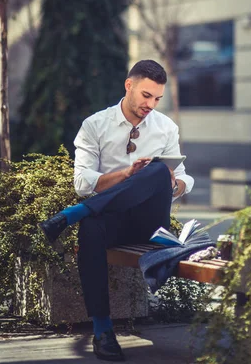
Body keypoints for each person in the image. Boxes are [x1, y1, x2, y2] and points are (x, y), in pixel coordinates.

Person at [40, 59, 194, 362]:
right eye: (145, 95)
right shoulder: (95, 126)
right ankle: (102, 330)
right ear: (129, 86)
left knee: (158, 172)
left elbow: (185, 175)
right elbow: (84, 182)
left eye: (157, 98)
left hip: (151, 223)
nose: (151, 104)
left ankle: (74, 213)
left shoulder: (166, 128)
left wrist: (173, 184)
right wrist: (125, 175)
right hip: (111, 221)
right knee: (91, 230)